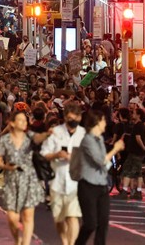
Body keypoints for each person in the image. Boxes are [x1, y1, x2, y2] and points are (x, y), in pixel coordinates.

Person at [0, 110, 50, 245]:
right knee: (12, 218)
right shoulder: (5, 140)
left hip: (29, 180)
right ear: (12, 123)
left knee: (28, 216)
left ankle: (25, 243)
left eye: (25, 120)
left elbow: (38, 138)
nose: (24, 122)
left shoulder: (29, 136)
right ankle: (17, 239)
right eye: (20, 120)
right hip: (12, 182)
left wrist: (48, 134)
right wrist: (8, 167)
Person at [75, 108, 125, 245]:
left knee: (103, 223)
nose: (106, 124)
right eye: (103, 120)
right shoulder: (87, 140)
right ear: (96, 122)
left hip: (102, 186)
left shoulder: (99, 140)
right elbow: (100, 160)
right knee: (90, 224)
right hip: (88, 186)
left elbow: (104, 163)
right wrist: (115, 149)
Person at [41, 102, 86, 245]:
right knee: (59, 218)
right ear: (65, 117)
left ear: (79, 118)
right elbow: (44, 153)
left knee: (72, 216)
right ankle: (64, 240)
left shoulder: (84, 134)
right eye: (69, 118)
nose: (72, 121)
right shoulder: (56, 132)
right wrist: (56, 155)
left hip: (76, 182)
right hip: (57, 180)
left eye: (75, 118)